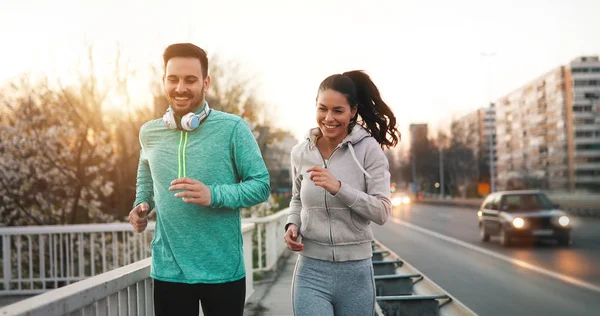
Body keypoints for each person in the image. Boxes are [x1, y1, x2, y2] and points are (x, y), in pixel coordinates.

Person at [128, 43, 270, 316]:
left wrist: (213, 195)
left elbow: (261, 185)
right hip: (169, 270)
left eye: (190, 80)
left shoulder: (233, 129)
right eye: (173, 79)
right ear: (164, 81)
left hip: (223, 270)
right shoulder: (150, 132)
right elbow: (146, 172)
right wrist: (141, 203)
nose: (180, 87)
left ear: (205, 82)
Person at [283, 70, 400, 316]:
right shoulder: (301, 152)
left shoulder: (369, 150)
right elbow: (296, 198)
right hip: (311, 270)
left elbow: (382, 211)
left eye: (338, 111)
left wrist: (339, 188)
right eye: (322, 109)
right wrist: (291, 224)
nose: (328, 118)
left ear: (353, 111)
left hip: (356, 273)